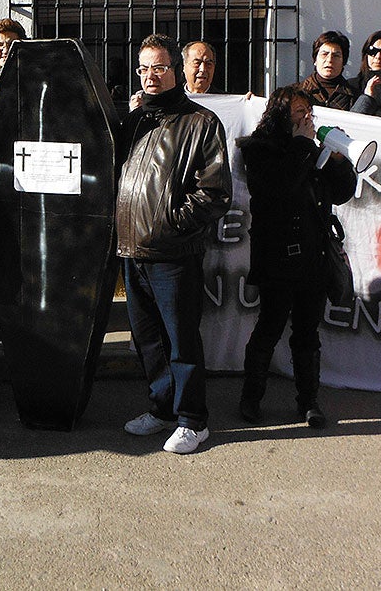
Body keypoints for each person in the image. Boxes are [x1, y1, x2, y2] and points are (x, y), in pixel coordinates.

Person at [117, 33, 232, 455]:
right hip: (132, 251)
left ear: (175, 71)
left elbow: (215, 192)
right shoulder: (133, 123)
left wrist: (169, 224)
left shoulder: (201, 123)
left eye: (159, 67)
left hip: (173, 253)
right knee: (149, 341)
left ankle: (192, 421)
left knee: (181, 341)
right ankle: (162, 409)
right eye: (144, 68)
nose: (150, 75)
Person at [237, 87, 356, 429]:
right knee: (270, 327)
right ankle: (251, 398)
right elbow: (279, 189)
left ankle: (309, 401)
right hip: (277, 256)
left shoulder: (311, 150)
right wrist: (304, 146)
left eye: (308, 112)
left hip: (313, 257)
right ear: (280, 114)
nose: (306, 118)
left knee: (307, 332)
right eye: (298, 111)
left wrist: (339, 161)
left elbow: (342, 193)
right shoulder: (259, 149)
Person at [297, 31, 358, 111]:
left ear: (343, 62)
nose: (329, 60)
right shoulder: (297, 92)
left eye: (336, 56)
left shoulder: (354, 96)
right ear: (315, 60)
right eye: (324, 54)